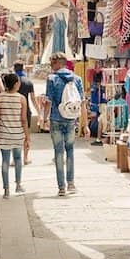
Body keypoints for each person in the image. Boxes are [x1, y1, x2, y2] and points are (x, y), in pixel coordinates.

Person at [44, 52, 89, 197]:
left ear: (59, 63)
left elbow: (48, 101)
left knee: (58, 152)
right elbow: (82, 104)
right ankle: (71, 183)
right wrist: (85, 124)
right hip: (71, 119)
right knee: (70, 150)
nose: (51, 66)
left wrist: (44, 119)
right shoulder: (77, 79)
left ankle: (61, 187)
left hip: (56, 119)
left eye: (52, 63)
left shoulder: (51, 79)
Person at [0, 73, 30, 199]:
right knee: (18, 158)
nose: (19, 84)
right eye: (18, 82)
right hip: (17, 133)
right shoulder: (21, 99)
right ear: (15, 84)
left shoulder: (0, 97)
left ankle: (6, 190)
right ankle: (18, 185)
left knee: (5, 161)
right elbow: (24, 119)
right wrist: (27, 136)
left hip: (3, 133)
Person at [13, 60, 40, 165]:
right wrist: (39, 112)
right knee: (25, 135)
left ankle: (14, 159)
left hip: (13, 110)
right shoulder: (28, 82)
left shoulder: (11, 80)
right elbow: (33, 99)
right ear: (23, 68)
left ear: (14, 68)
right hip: (26, 111)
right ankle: (25, 157)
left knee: (14, 135)